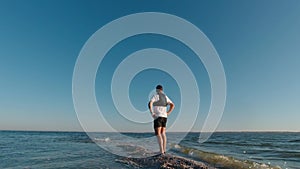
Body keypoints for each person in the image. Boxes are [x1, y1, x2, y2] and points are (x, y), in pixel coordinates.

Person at [148, 85, 175, 155]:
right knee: (163, 133)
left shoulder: (156, 96)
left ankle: (161, 151)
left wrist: (152, 112)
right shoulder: (165, 97)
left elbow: (150, 103)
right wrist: (168, 112)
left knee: (158, 133)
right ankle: (164, 150)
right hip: (164, 117)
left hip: (158, 116)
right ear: (162, 90)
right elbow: (173, 105)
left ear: (157, 90)